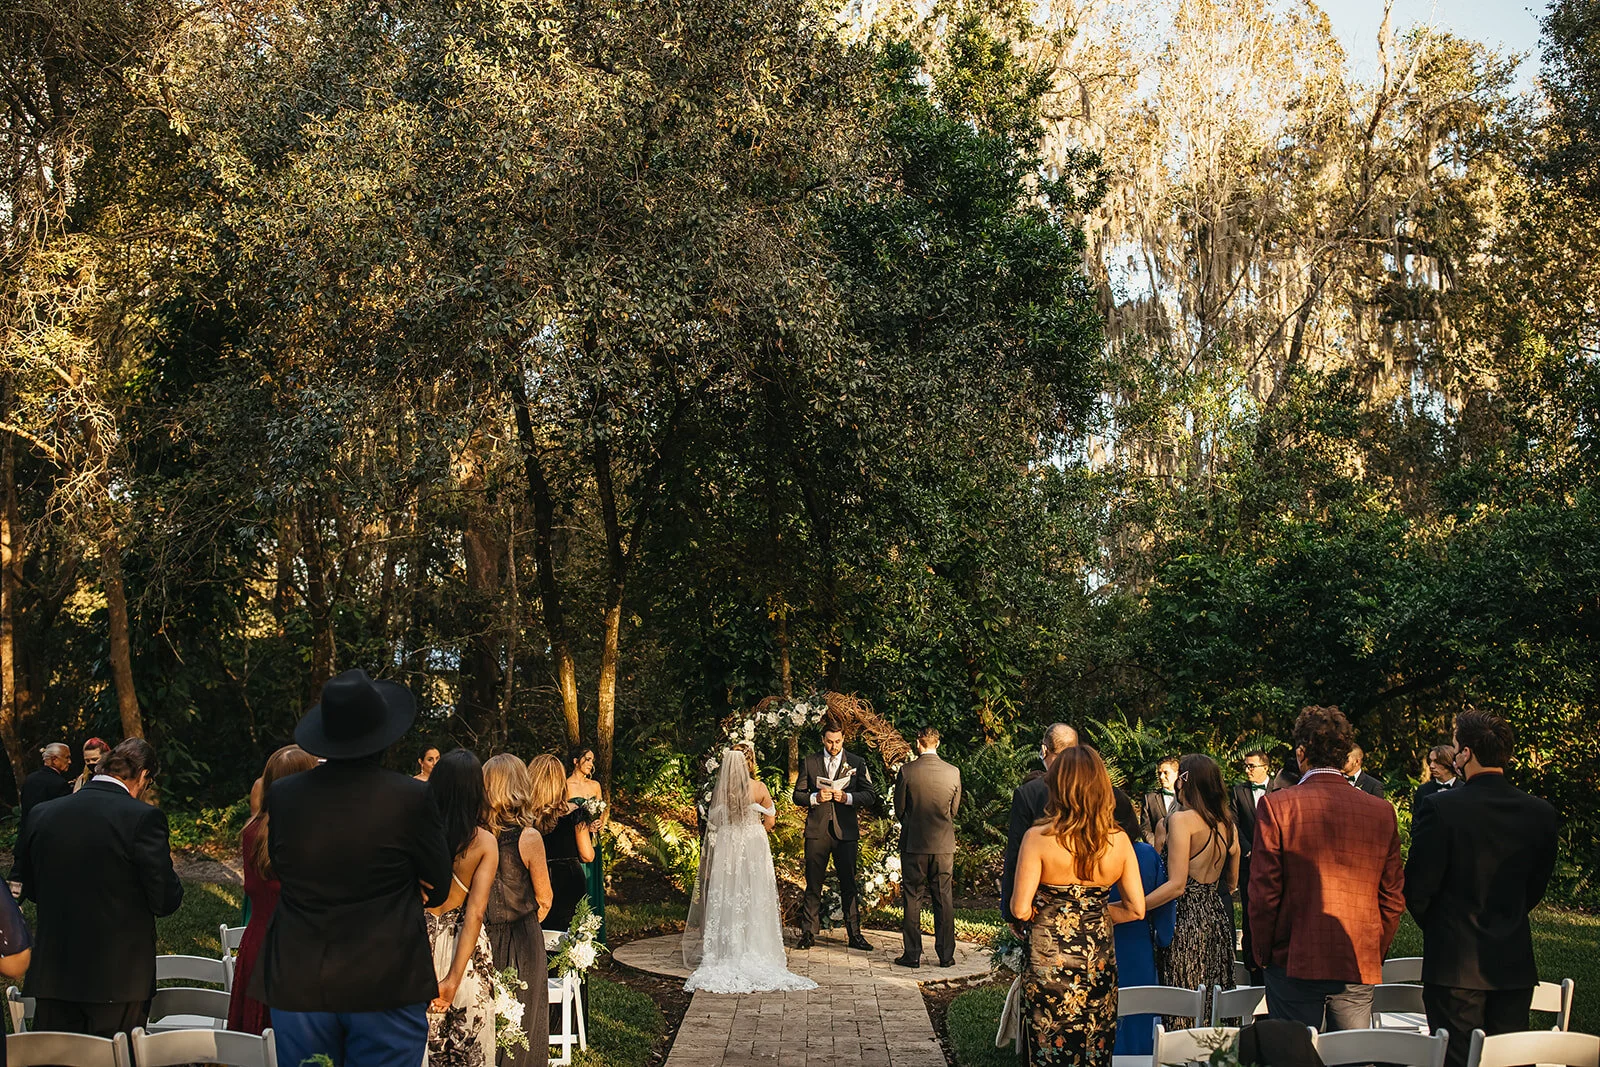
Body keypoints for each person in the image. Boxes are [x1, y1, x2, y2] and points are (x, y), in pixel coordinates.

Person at [258, 668, 452, 1067]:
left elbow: (283, 866)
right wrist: (407, 885)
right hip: (387, 975)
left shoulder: (285, 794)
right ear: (384, 737)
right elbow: (440, 884)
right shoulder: (411, 797)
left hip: (300, 972)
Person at [1404, 710, 1559, 1067]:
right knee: (1510, 1060)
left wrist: (1443, 926)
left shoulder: (1439, 807)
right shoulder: (1540, 812)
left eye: (1456, 747)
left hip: (1454, 964)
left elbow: (1418, 887)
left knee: (1456, 1059)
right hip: (1513, 961)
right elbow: (1536, 885)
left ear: (1466, 754)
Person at [12, 737, 183, 1037]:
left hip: (54, 973)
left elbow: (33, 888)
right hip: (119, 978)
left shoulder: (42, 813)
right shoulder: (143, 818)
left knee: (56, 1057)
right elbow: (165, 900)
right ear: (144, 775)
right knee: (116, 1056)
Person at [1250, 706, 1405, 1032]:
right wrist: (1373, 950)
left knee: (1294, 1051)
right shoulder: (1381, 811)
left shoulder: (1278, 805)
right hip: (1355, 956)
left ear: (1301, 753)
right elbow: (1392, 898)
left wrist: (1263, 953)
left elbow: (1264, 893)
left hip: (1292, 957)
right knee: (1351, 1053)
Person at [1011, 745, 1146, 1067]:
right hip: (1097, 959)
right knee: (1094, 1043)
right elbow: (1136, 908)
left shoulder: (1038, 838)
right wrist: (1092, 912)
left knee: (1048, 1046)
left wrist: (1054, 913)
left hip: (1048, 960)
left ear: (1058, 787)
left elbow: (1019, 909)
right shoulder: (1119, 840)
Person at [683, 744, 817, 993]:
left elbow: (714, 821)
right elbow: (770, 821)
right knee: (754, 894)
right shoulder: (759, 788)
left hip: (728, 846)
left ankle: (727, 949)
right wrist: (753, 831)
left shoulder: (722, 791)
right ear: (751, 762)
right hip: (753, 846)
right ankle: (757, 947)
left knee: (729, 894)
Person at [227, 744, 319, 1035]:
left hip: (258, 943)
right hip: (299, 951)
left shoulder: (252, 830)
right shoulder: (310, 834)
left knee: (258, 1042)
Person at [1147, 754, 1238, 1026]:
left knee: (1183, 1003)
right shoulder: (1227, 824)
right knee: (1214, 1002)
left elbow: (1176, 885)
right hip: (1216, 918)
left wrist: (1138, 906)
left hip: (1185, 921)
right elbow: (1232, 882)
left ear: (1184, 781)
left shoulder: (1182, 820)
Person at [424, 750, 499, 1067]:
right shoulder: (484, 842)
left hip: (419, 945)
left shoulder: (416, 834)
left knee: (420, 1049)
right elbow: (475, 913)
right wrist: (453, 981)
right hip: (464, 953)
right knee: (468, 1053)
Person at [483, 754, 552, 1067]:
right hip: (522, 939)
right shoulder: (529, 837)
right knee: (524, 1026)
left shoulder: (474, 836)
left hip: (481, 938)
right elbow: (545, 899)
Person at [793, 719, 878, 950]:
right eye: (830, 742)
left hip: (845, 831)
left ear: (843, 739)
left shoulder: (857, 762)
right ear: (823, 739)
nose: (834, 746)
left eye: (838, 742)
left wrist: (847, 798)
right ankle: (808, 933)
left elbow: (870, 795)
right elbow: (797, 795)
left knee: (849, 884)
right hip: (817, 831)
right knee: (813, 883)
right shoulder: (810, 762)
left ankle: (855, 934)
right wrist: (815, 797)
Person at [1109, 792, 1175, 1058]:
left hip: (1099, 945)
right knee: (1138, 1018)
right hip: (1137, 947)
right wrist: (1162, 937)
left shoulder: (1090, 854)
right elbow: (1165, 908)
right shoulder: (1146, 854)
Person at [893, 726, 962, 968]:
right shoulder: (953, 772)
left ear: (918, 743)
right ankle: (946, 955)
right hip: (943, 844)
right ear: (938, 743)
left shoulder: (907, 771)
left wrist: (912, 823)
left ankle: (912, 954)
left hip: (914, 843)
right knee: (943, 898)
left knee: (913, 898)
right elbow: (954, 810)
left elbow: (899, 808)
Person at [1001, 722, 1078, 928]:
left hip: (1041, 899)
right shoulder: (1095, 790)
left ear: (1044, 750)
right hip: (1088, 900)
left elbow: (1016, 851)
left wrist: (1011, 912)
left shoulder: (1029, 793)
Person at [1231, 749, 1278, 985]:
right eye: (1246, 766)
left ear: (1265, 768)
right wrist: (1249, 849)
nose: (1247, 770)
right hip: (1249, 862)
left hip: (1275, 862)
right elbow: (1234, 823)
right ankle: (1252, 968)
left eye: (1252, 766)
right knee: (1250, 913)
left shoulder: (1279, 790)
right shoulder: (1238, 791)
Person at [566, 744, 607, 944]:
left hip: (594, 842)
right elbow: (563, 817)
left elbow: (602, 811)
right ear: (576, 761)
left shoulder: (595, 786)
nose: (591, 764)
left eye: (592, 760)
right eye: (587, 759)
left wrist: (599, 824)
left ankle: (596, 936)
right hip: (575, 842)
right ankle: (578, 935)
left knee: (593, 884)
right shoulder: (566, 786)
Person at [20, 742, 72, 820]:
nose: (69, 761)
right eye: (67, 757)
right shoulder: (59, 783)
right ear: (54, 760)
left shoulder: (30, 778)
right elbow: (65, 813)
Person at [1141, 757, 1181, 855]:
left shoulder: (1188, 798)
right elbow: (1145, 829)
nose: (1161, 777)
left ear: (1177, 774)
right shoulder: (1150, 799)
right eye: (1159, 773)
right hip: (1158, 853)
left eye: (1166, 773)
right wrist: (1158, 846)